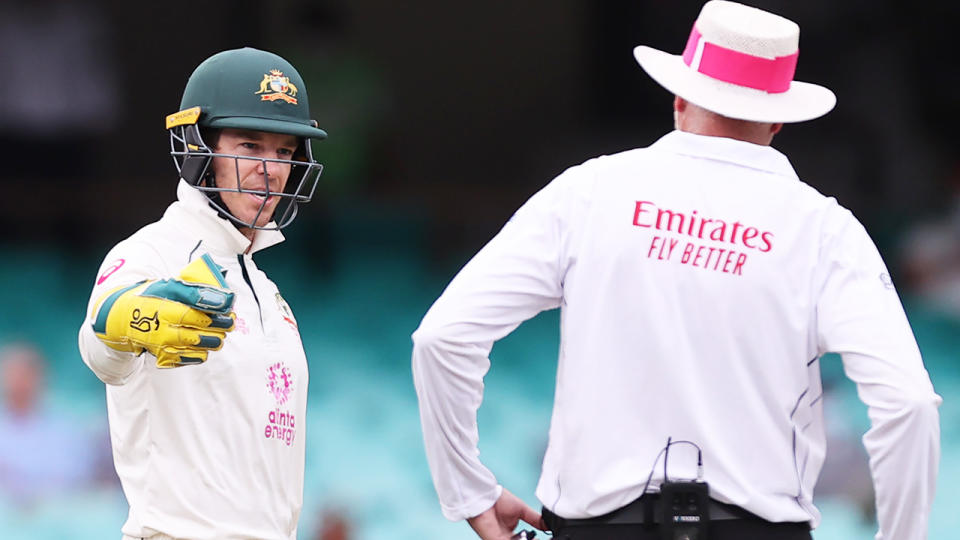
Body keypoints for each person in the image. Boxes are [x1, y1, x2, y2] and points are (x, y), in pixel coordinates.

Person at [411, 2, 941, 540]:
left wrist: (469, 491)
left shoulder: (588, 193)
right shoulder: (826, 231)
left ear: (679, 96)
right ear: (779, 118)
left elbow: (442, 338)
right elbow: (910, 404)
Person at [78, 47, 327, 540]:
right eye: (250, 146)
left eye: (283, 152)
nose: (271, 169)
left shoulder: (268, 291)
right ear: (199, 151)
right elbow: (99, 350)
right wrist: (123, 321)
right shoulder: (152, 253)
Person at [0, 342, 101, 506]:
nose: (18, 383)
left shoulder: (64, 430)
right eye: (13, 375)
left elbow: (74, 477)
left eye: (25, 375)